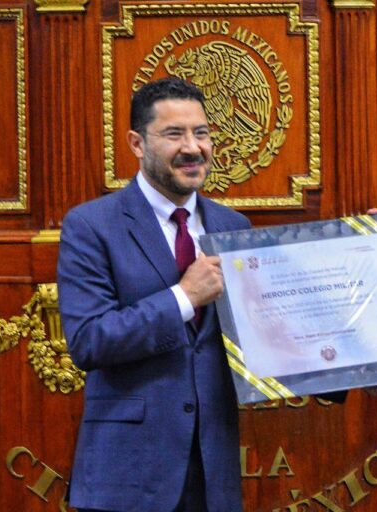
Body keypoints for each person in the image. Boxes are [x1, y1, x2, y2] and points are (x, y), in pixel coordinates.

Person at [57, 77, 250, 511]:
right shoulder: (91, 226)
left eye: (201, 133)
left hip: (213, 477)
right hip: (128, 477)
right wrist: (183, 298)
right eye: (174, 134)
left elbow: (263, 337)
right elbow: (89, 340)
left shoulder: (233, 227)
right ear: (137, 143)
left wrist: (360, 370)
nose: (193, 148)